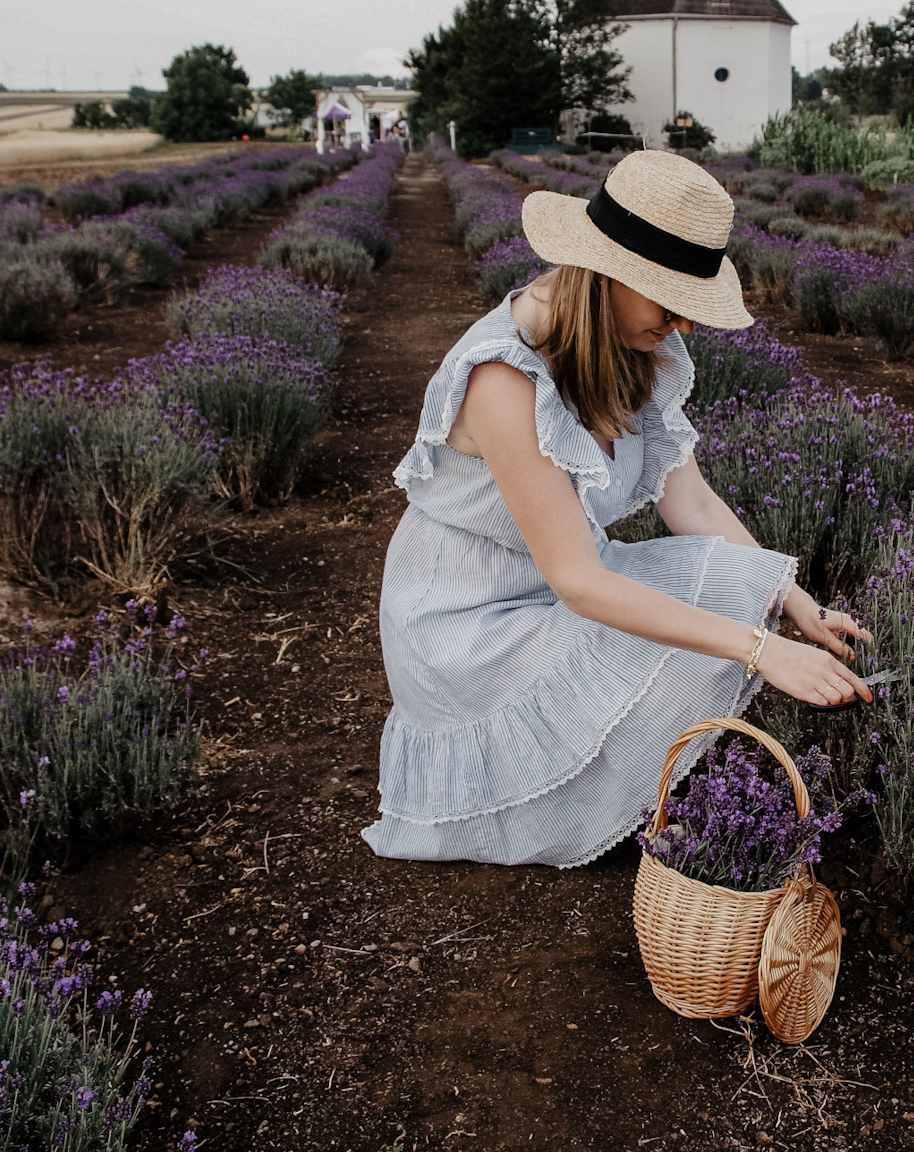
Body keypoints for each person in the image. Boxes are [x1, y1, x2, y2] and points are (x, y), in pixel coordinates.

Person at [364, 149, 870, 868]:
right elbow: (581, 582)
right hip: (467, 620)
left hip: (554, 585)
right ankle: (562, 800)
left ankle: (613, 786)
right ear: (608, 276)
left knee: (723, 581)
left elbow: (688, 499)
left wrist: (790, 601)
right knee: (703, 621)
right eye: (671, 303)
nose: (684, 327)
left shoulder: (630, 345)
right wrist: (759, 648)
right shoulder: (504, 377)